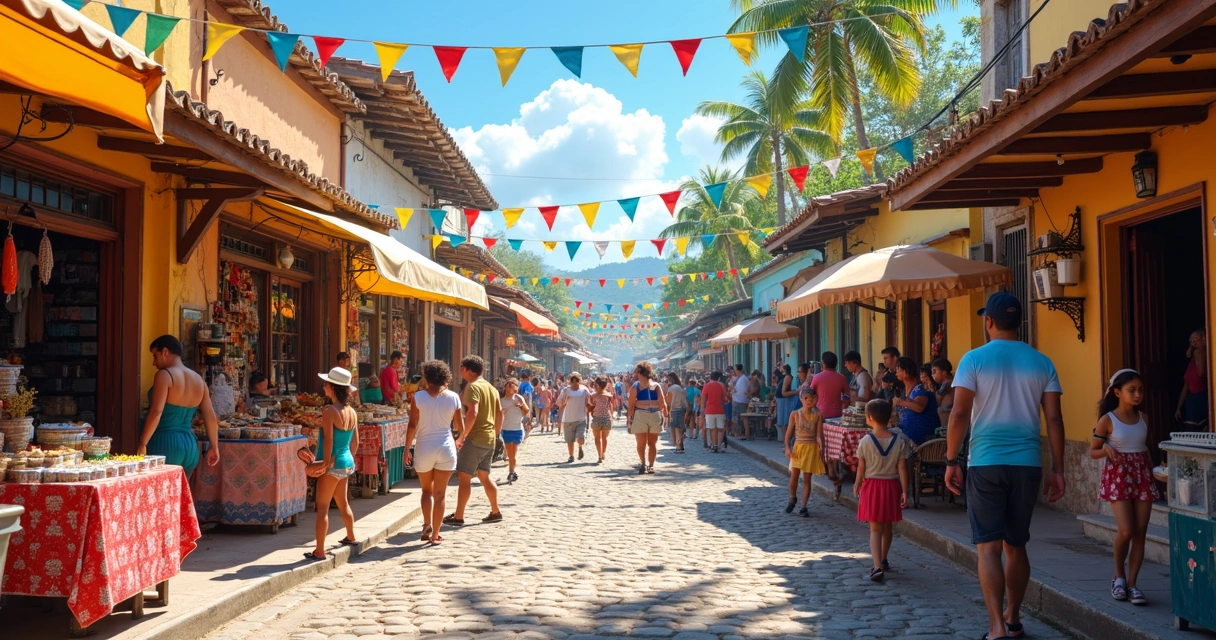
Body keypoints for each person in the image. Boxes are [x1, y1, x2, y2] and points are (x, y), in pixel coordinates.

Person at [946, 293, 1066, 640]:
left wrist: (951, 460)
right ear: (1019, 323)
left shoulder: (973, 359)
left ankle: (996, 627)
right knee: (1017, 544)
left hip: (985, 462)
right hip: (1027, 463)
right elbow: (1055, 419)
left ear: (989, 322)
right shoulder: (1042, 362)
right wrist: (1058, 468)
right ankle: (1014, 618)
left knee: (988, 548)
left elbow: (959, 413)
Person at [1092, 369, 1158, 605]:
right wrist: (1106, 450)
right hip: (1119, 475)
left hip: (1141, 474)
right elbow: (1093, 450)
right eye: (1132, 390)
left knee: (1141, 532)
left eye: (1140, 390)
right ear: (1118, 392)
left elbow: (1143, 446)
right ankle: (1118, 577)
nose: (1138, 394)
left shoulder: (1144, 418)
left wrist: (1155, 468)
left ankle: (1133, 584)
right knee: (1126, 531)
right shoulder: (1107, 419)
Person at [139, 335, 220, 479]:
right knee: (180, 497)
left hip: (165, 443)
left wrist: (142, 443)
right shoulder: (199, 380)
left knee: (160, 497)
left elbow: (156, 412)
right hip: (190, 445)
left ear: (165, 352)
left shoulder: (164, 375)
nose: (153, 362)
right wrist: (214, 447)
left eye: (154, 355)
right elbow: (210, 417)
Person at [304, 366, 360, 561]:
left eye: (326, 384)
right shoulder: (352, 412)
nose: (324, 386)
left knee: (322, 507)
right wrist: (347, 460)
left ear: (333, 387)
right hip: (346, 463)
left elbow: (328, 440)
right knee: (343, 503)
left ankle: (319, 550)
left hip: (332, 464)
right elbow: (355, 442)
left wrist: (326, 463)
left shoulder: (329, 410)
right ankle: (351, 537)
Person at [404, 360, 462, 545]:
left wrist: (406, 449)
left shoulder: (418, 397)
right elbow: (459, 426)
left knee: (426, 491)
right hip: (446, 446)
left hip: (424, 447)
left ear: (427, 377)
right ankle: (436, 534)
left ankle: (426, 525)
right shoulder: (453, 397)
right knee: (440, 494)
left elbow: (412, 424)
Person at [444, 355, 504, 527]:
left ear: (468, 370)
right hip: (489, 438)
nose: (460, 371)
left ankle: (459, 515)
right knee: (484, 476)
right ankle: (495, 511)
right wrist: (497, 433)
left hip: (475, 437)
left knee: (464, 476)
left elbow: (473, 412)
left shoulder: (473, 387)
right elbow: (500, 412)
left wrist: (463, 436)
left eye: (462, 368)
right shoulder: (491, 388)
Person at [854, 398, 909, 581]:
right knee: (888, 527)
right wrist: (905, 491)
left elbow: (861, 468)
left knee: (875, 529)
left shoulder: (865, 441)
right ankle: (884, 559)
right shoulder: (899, 441)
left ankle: (877, 566)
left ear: (869, 418)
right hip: (891, 486)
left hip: (872, 486)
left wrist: (856, 484)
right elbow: (902, 468)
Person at [785, 387, 825, 517]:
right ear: (801, 399)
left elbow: (819, 434)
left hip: (811, 447)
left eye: (812, 398)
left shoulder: (818, 415)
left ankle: (804, 506)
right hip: (798, 447)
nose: (809, 401)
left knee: (807, 478)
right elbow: (789, 433)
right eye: (806, 398)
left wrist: (821, 446)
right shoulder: (795, 414)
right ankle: (792, 498)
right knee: (794, 476)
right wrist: (787, 447)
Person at [627, 362, 668, 474]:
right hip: (655, 414)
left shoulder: (636, 386)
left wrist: (629, 420)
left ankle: (643, 463)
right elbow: (662, 403)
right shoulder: (656, 385)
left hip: (640, 415)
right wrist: (664, 415)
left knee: (641, 443)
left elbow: (631, 405)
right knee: (652, 443)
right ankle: (651, 466)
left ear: (640, 372)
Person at [892, 357, 938, 446]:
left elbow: (919, 407)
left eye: (898, 369)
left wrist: (899, 402)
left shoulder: (920, 388)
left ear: (906, 371)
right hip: (905, 432)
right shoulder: (904, 391)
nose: (896, 372)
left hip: (919, 435)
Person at [1175, 329, 1208, 427]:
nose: (1193, 343)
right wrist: (1178, 408)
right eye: (1191, 340)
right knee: (1192, 431)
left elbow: (1202, 373)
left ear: (1204, 340)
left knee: (1200, 431)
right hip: (1192, 398)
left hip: (1201, 396)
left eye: (1196, 340)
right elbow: (1186, 387)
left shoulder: (1200, 352)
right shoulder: (1193, 360)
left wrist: (1196, 352)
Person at [558, 372, 592, 462]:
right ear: (570, 382)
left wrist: (591, 411)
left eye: (576, 382)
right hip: (568, 419)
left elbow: (589, 402)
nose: (574, 384)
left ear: (579, 382)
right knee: (570, 440)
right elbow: (559, 402)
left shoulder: (584, 390)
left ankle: (580, 447)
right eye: (572, 382)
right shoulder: (565, 391)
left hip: (581, 418)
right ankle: (571, 455)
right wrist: (563, 404)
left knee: (580, 437)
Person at [500, 377, 529, 483]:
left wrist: (521, 405)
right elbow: (497, 414)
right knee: (509, 453)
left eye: (512, 386)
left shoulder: (519, 398)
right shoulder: (501, 400)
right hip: (506, 428)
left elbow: (526, 411)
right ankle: (512, 472)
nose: (509, 387)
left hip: (517, 428)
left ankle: (511, 472)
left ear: (516, 388)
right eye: (508, 385)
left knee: (513, 453)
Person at [810, 352, 850, 420]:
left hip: (820, 414)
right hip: (838, 414)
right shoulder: (842, 378)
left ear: (823, 363)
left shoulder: (817, 377)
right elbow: (847, 397)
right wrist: (843, 409)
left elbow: (809, 394)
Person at [589, 376, 614, 463]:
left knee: (597, 438)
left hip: (596, 418)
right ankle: (602, 453)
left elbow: (590, 406)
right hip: (607, 418)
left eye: (595, 385)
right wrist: (612, 416)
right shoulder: (608, 395)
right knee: (604, 438)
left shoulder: (593, 396)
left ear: (598, 385)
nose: (594, 386)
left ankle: (600, 454)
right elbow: (610, 406)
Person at [702, 370, 728, 453]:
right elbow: (724, 399)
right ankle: (720, 445)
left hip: (709, 410)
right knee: (721, 428)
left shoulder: (706, 386)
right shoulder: (722, 385)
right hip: (720, 409)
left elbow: (703, 399)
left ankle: (714, 445)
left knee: (712, 429)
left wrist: (702, 410)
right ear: (719, 378)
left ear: (710, 377)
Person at [666, 373, 688, 454]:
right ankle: (680, 445)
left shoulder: (671, 389)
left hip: (674, 410)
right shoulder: (681, 388)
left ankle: (677, 446)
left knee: (674, 429)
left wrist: (667, 411)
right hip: (681, 409)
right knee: (679, 429)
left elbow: (668, 401)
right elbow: (684, 399)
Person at [932, 358, 955, 432]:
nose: (933, 375)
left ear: (944, 372)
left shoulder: (947, 383)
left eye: (935, 371)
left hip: (950, 426)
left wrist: (932, 389)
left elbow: (938, 399)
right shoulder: (948, 382)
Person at [776, 364, 798, 441]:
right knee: (783, 423)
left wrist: (796, 392)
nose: (779, 369)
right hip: (781, 400)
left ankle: (787, 441)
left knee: (785, 422)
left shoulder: (788, 377)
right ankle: (786, 441)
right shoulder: (784, 377)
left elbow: (784, 392)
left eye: (781, 368)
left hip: (784, 401)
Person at [731, 364, 751, 439]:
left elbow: (742, 391)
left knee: (739, 418)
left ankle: (741, 433)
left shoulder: (743, 379)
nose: (734, 372)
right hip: (738, 400)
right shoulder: (741, 378)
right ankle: (742, 433)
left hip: (739, 400)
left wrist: (733, 391)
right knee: (742, 418)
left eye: (735, 370)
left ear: (739, 371)